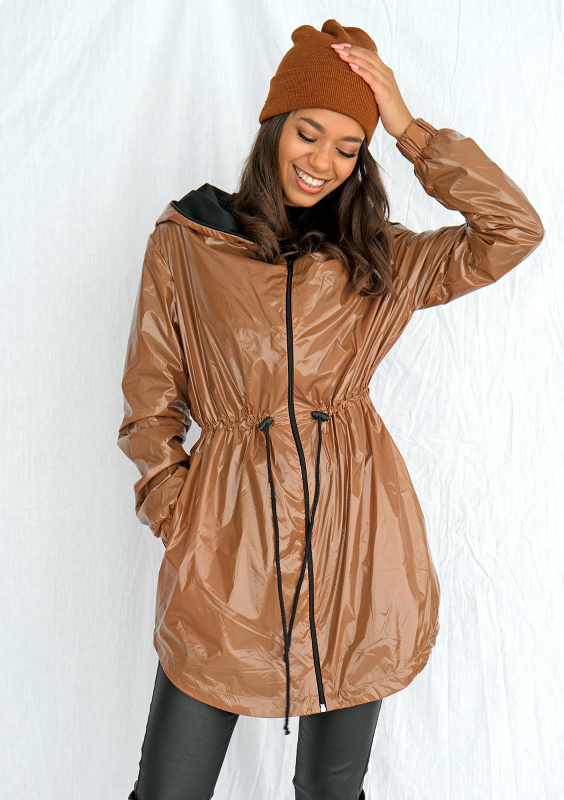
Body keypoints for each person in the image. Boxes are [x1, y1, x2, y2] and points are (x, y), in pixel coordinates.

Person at [117, 19, 545, 800]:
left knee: (331, 792)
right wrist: (176, 509)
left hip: (358, 543)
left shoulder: (381, 257)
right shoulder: (188, 243)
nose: (321, 161)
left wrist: (408, 127)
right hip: (227, 543)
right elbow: (150, 399)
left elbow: (513, 229)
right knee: (168, 789)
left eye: (348, 148)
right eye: (308, 133)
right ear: (274, 127)